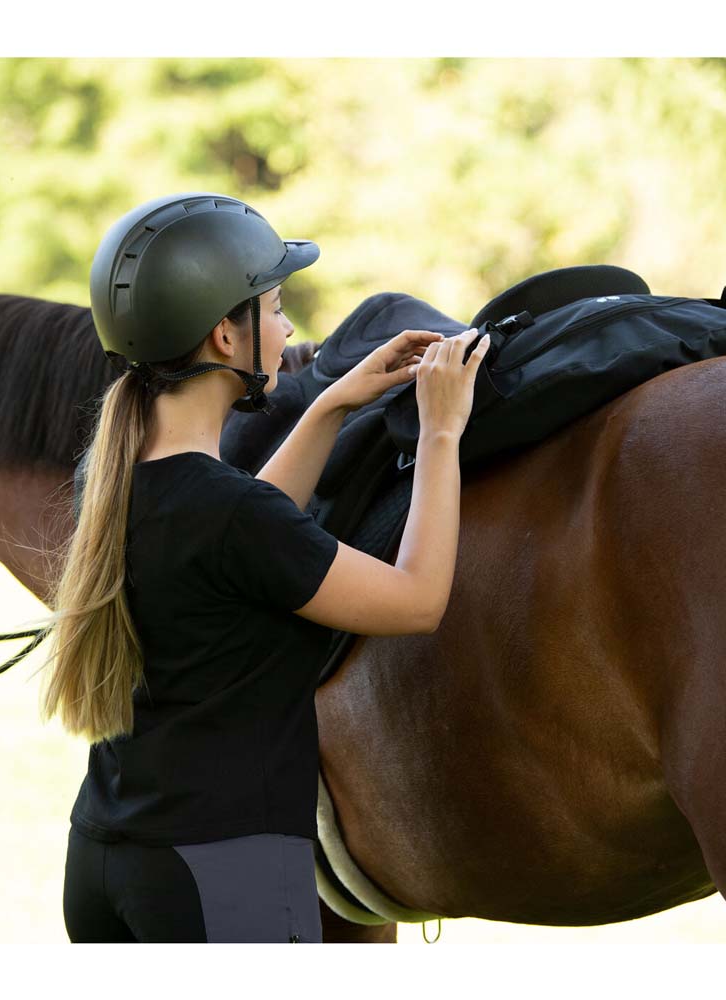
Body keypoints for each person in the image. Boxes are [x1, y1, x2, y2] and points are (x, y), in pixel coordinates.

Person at [38, 191, 491, 943]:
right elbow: (417, 601)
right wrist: (441, 432)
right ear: (224, 335)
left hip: (108, 862)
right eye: (274, 307)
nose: (287, 329)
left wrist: (332, 405)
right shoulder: (226, 513)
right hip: (227, 874)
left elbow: (240, 533)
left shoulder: (120, 478)